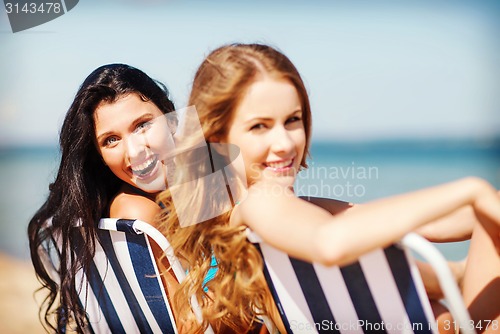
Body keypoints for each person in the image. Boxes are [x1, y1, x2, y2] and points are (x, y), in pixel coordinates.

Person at [157, 43, 500, 334]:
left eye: (293, 120)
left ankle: (455, 274)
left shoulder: (230, 209)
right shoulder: (262, 202)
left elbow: (417, 223)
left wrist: (484, 207)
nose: (284, 143)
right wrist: (472, 190)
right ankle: (454, 275)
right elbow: (330, 243)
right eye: (259, 127)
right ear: (218, 138)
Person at [28, 63, 179, 333]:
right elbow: (186, 322)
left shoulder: (187, 191)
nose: (134, 153)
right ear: (98, 154)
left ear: (171, 117)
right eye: (111, 140)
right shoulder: (137, 212)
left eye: (143, 125)